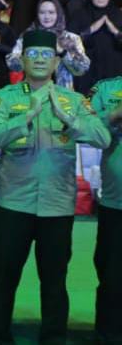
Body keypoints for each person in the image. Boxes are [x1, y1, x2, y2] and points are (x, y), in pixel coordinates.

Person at [0, 29, 111, 345]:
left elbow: (103, 138)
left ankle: (52, 338)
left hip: (57, 205)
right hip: (15, 203)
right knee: (4, 279)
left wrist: (70, 120)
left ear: (56, 61)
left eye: (46, 55)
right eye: (33, 54)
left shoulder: (75, 100)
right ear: (22, 59)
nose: (39, 60)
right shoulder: (4, 98)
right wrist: (24, 118)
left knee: (54, 281)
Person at [88, 74, 122, 345]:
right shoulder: (106, 88)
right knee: (112, 276)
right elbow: (89, 131)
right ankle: (108, 336)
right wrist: (116, 113)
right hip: (116, 202)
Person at [6, 0, 90, 89]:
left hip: (62, 96)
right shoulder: (28, 36)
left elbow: (82, 69)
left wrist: (63, 53)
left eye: (51, 12)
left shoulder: (71, 38)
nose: (47, 17)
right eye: (42, 12)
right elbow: (12, 65)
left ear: (58, 13)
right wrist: (27, 54)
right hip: (31, 92)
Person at [71, 0, 122, 94]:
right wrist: (92, 29)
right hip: (88, 70)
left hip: (113, 69)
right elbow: (71, 41)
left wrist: (114, 30)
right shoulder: (80, 14)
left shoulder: (117, 15)